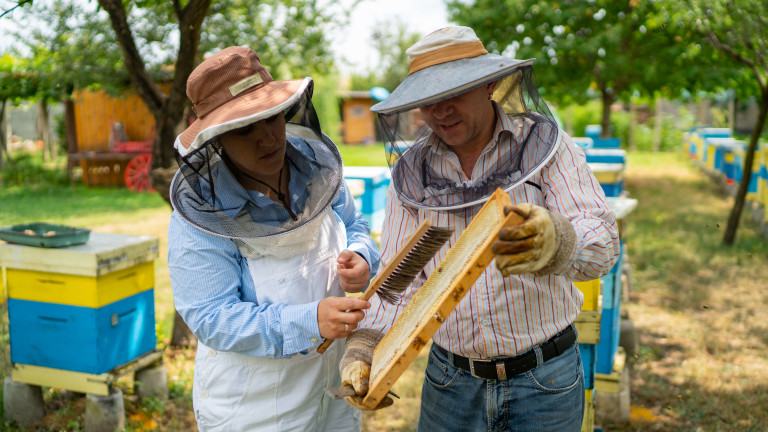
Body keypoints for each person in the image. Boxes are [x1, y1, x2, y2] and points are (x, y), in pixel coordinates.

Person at [339, 26, 620, 431]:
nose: (441, 111)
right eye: (429, 100)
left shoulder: (546, 147)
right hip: (451, 384)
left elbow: (603, 244)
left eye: (454, 93)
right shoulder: (411, 173)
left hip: (545, 379)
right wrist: (366, 346)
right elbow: (399, 281)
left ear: (489, 84)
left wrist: (558, 240)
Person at [167, 46, 380, 432]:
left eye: (271, 118)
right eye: (244, 129)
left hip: (332, 389)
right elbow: (211, 317)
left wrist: (363, 256)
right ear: (216, 139)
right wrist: (309, 320)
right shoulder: (202, 213)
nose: (266, 138)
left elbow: (356, 224)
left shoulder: (317, 170)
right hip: (253, 409)